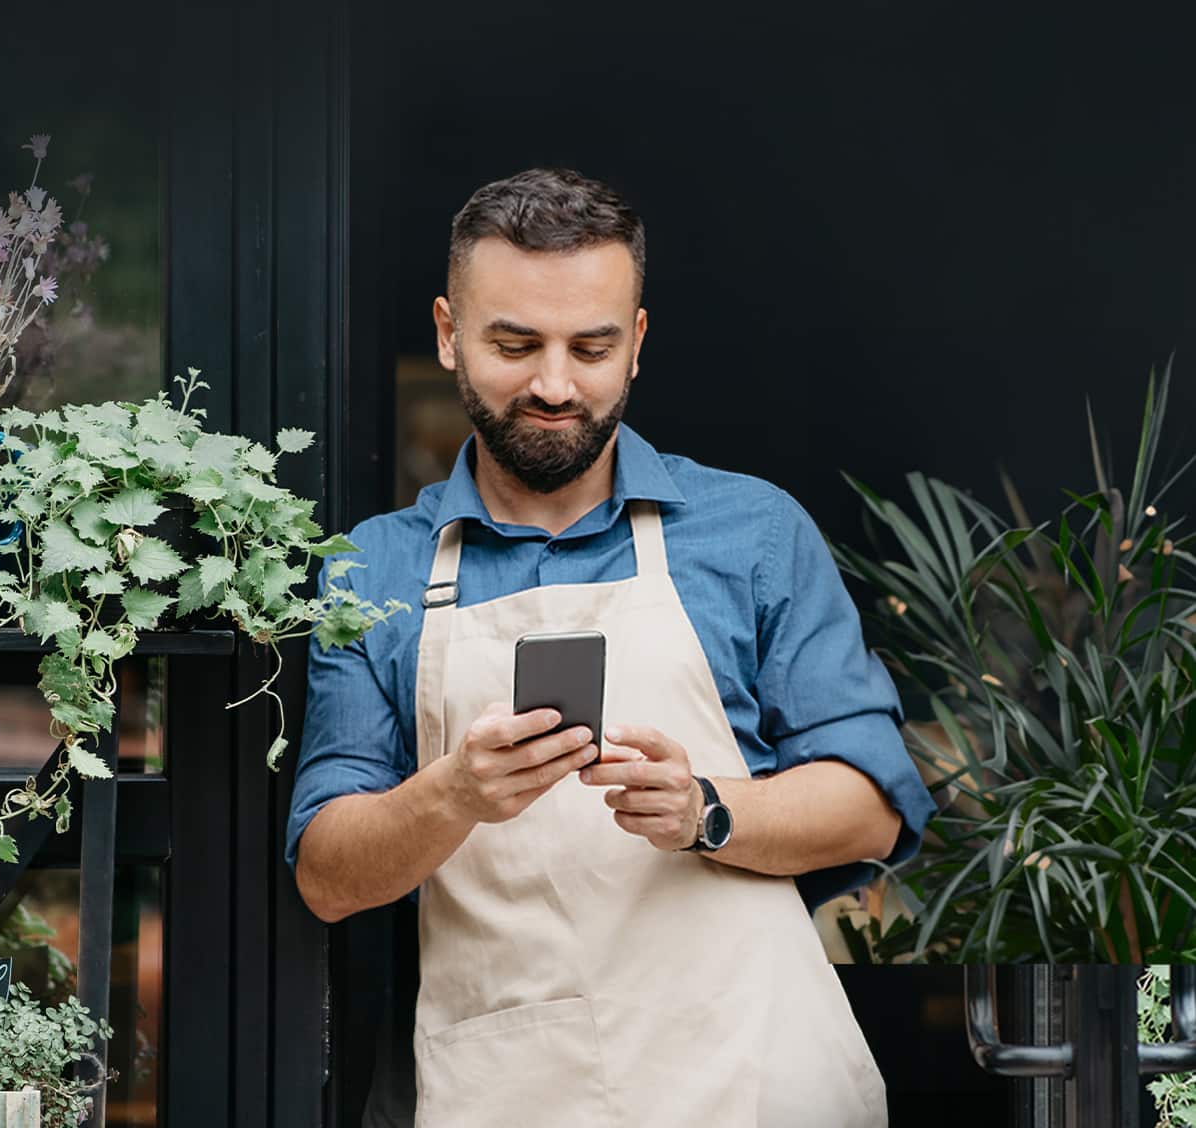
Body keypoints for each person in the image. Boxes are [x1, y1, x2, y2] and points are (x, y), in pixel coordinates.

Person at [287, 167, 937, 1127]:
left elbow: (873, 808)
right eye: (515, 343)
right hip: (509, 1089)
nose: (555, 384)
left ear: (634, 345)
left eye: (590, 347)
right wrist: (454, 794)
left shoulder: (753, 532)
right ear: (448, 333)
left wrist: (706, 811)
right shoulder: (373, 571)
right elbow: (327, 877)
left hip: (753, 1085)